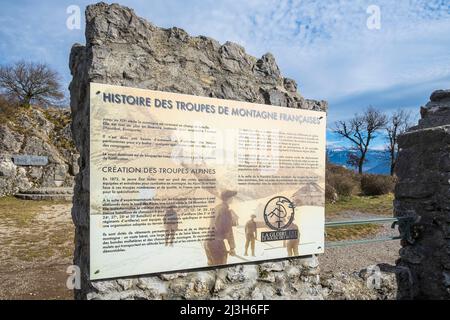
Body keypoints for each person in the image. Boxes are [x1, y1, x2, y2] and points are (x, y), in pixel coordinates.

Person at [204, 190, 237, 266]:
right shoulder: (225, 211)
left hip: (208, 242)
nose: (233, 199)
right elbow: (228, 231)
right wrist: (232, 247)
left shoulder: (216, 208)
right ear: (229, 198)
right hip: (216, 244)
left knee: (211, 269)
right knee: (221, 268)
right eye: (232, 197)